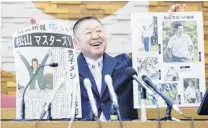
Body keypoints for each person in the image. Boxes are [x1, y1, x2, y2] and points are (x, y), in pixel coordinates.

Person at [73, 16, 137, 121]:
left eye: (99, 30)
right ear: (76, 44)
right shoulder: (69, 70)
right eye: (88, 33)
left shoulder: (125, 64)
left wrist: (173, 22)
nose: (95, 36)